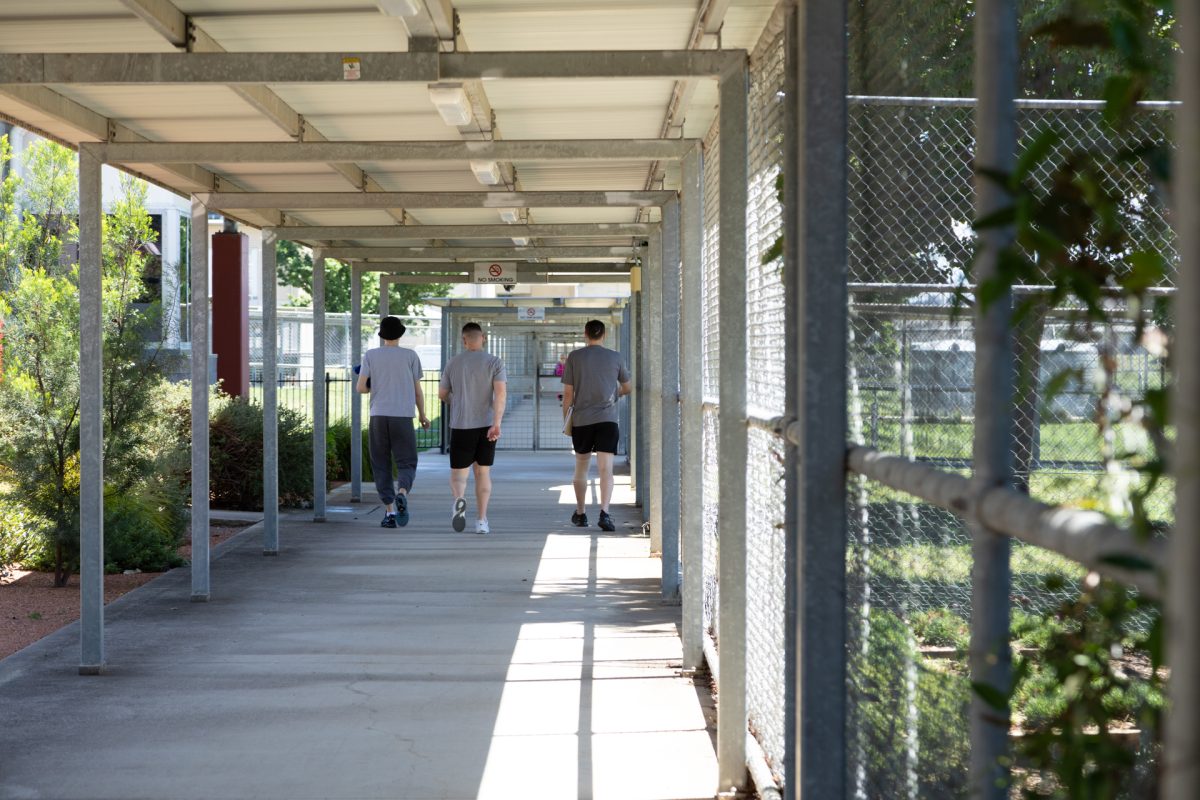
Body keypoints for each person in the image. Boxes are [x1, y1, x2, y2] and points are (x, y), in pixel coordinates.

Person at [356, 316, 430, 528]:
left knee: (381, 463)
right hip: (403, 415)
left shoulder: (371, 355)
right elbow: (417, 392)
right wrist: (423, 415)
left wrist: (374, 385)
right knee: (407, 462)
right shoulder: (410, 356)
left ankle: (389, 512)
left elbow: (360, 388)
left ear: (381, 335)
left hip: (378, 416)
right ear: (401, 334)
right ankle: (402, 492)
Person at [561, 319, 631, 532]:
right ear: (605, 334)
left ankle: (581, 513)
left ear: (585, 334)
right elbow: (627, 387)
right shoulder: (615, 357)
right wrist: (613, 394)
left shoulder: (574, 357)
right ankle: (605, 513)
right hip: (608, 420)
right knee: (605, 469)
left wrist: (567, 421)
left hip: (582, 420)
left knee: (581, 466)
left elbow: (567, 394)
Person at [438, 322, 507, 535]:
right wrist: (496, 423)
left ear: (464, 340)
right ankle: (482, 520)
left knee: (459, 474)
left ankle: (459, 500)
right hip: (486, 425)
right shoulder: (495, 362)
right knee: (482, 472)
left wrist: (456, 401)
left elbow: (442, 394)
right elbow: (500, 394)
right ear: (483, 337)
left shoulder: (453, 363)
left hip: (460, 424)